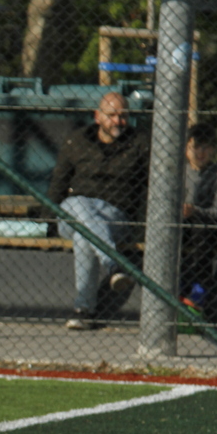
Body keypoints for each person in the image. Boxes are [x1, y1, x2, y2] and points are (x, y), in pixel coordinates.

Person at [47, 90, 151, 330]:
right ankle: (113, 263)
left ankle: (83, 310)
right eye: (111, 115)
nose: (118, 121)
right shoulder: (77, 141)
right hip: (71, 216)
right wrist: (48, 223)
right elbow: (58, 185)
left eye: (123, 116)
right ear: (97, 116)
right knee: (78, 202)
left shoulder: (139, 143)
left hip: (116, 218)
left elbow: (150, 187)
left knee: (84, 235)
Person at [178, 122, 217, 317]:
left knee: (201, 231)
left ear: (213, 149)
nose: (200, 153)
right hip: (184, 227)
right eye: (195, 147)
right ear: (186, 148)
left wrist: (195, 210)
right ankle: (182, 284)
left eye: (206, 147)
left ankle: (198, 288)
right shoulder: (179, 173)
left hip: (212, 229)